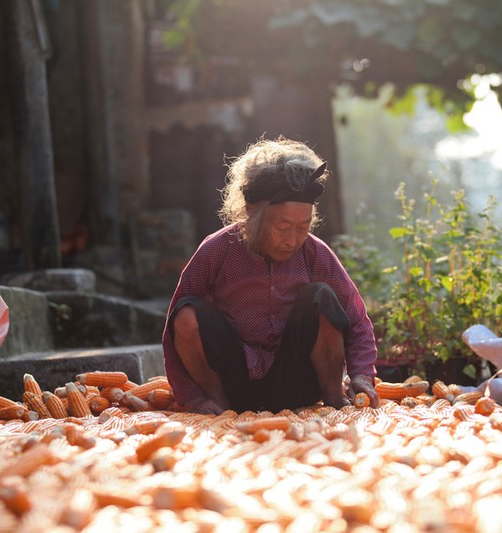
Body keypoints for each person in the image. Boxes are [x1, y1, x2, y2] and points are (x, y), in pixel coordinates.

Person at [162, 138, 379, 414]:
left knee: (322, 296)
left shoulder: (314, 252)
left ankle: (335, 398)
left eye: (303, 227)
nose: (293, 240)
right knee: (186, 312)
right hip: (235, 382)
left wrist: (361, 374)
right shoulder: (217, 250)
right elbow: (174, 332)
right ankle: (218, 406)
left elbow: (357, 319)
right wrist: (192, 397)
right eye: (283, 226)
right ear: (253, 214)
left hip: (297, 381)